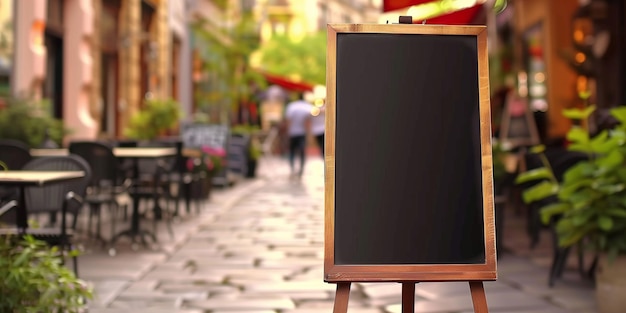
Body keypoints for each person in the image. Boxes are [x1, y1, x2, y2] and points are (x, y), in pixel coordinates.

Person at [284, 94, 314, 178]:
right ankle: (301, 170)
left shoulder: (291, 106)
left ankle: (292, 169)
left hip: (292, 133)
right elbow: (308, 122)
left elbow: (288, 120)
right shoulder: (307, 107)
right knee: (302, 152)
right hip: (302, 133)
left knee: (292, 152)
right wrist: (309, 135)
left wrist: (287, 132)